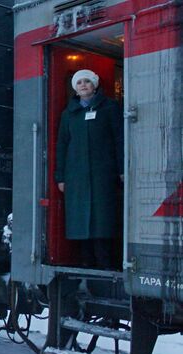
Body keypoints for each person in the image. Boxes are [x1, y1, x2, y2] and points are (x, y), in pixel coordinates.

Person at [55, 69, 123, 269]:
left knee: (103, 220)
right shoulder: (68, 114)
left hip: (103, 174)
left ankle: (106, 264)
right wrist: (61, 177)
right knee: (80, 223)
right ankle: (87, 264)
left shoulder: (110, 108)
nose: (83, 85)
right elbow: (62, 145)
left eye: (87, 81)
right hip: (76, 177)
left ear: (95, 85)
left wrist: (121, 168)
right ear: (75, 88)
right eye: (79, 82)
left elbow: (119, 139)